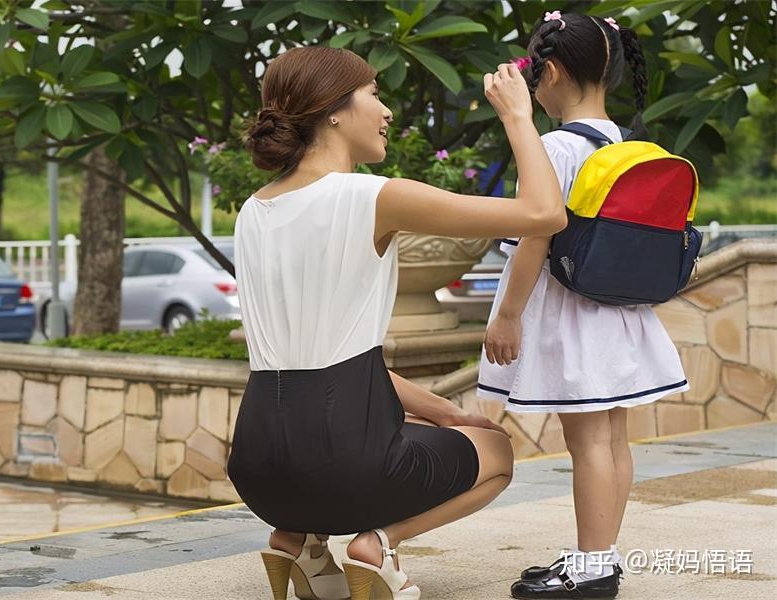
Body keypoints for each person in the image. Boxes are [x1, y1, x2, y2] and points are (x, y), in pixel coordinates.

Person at [226, 45, 566, 600]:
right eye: (375, 95)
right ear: (333, 110)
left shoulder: (253, 210)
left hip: (258, 467)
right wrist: (516, 116)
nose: (386, 112)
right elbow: (545, 214)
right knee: (498, 453)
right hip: (343, 463)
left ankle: (299, 540)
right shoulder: (375, 197)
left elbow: (329, 358)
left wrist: (448, 414)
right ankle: (377, 546)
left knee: (434, 436)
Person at [477, 12, 689, 600]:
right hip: (617, 312)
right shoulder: (627, 142)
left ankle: (593, 569)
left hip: (570, 316)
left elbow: (534, 235)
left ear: (555, 72)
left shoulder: (554, 147)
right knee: (612, 441)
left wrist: (509, 315)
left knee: (588, 444)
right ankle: (598, 557)